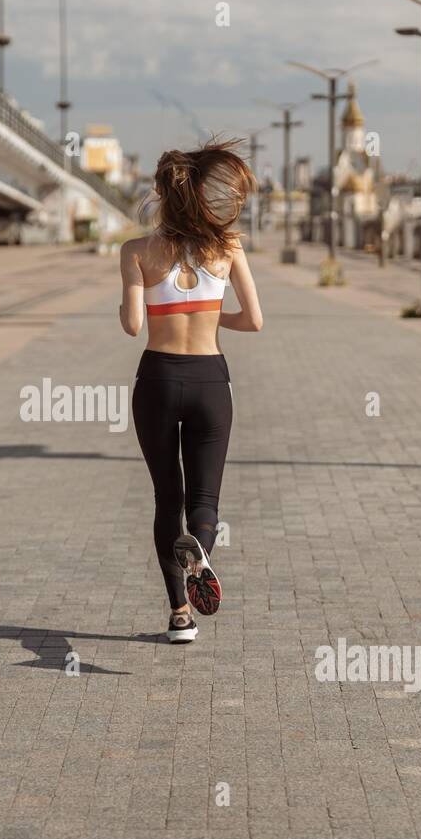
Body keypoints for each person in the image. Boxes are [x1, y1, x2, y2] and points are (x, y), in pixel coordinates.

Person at [118, 138, 263, 644]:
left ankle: (180, 613)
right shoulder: (228, 248)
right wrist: (207, 314)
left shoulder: (136, 250)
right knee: (205, 498)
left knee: (167, 497)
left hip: (157, 379)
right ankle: (200, 547)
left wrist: (134, 306)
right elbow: (255, 320)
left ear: (160, 195)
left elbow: (132, 325)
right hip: (209, 379)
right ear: (201, 193)